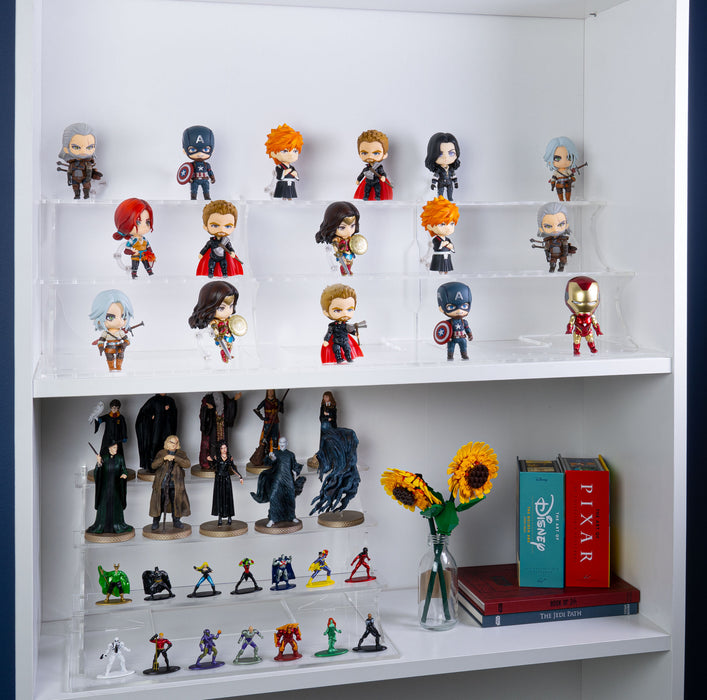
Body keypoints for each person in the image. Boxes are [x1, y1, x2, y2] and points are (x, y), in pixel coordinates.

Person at [251, 438, 305, 526]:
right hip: (278, 479)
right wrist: (271, 458)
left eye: (284, 442)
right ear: (279, 443)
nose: (282, 444)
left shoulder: (291, 454)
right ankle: (272, 518)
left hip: (288, 479)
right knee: (273, 497)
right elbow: (267, 463)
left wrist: (295, 473)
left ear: (287, 443)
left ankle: (291, 516)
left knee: (290, 498)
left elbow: (294, 465)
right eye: (280, 442)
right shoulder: (275, 453)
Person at [188, 281, 245, 363]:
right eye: (221, 308)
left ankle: (228, 355)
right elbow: (213, 328)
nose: (227, 311)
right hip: (221, 336)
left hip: (228, 335)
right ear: (209, 307)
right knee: (223, 347)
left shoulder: (228, 320)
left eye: (231, 306)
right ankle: (224, 356)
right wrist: (215, 331)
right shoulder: (214, 322)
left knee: (229, 345)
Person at [86, 442, 132, 536]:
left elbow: (124, 469)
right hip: (105, 489)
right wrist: (99, 463)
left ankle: (117, 525)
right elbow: (97, 473)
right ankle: (102, 526)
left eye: (116, 447)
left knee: (116, 506)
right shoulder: (104, 458)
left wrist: (124, 474)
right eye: (114, 447)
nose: (116, 449)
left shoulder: (120, 458)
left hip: (116, 487)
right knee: (104, 507)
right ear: (109, 448)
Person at [88, 289, 138, 372]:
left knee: (120, 357)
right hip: (109, 348)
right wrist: (100, 347)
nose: (119, 321)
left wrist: (125, 344)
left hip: (120, 348)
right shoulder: (106, 333)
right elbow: (101, 340)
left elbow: (127, 340)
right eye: (110, 317)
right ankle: (111, 368)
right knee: (109, 358)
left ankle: (118, 367)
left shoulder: (120, 332)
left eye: (123, 316)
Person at [148, 435, 191, 529]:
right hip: (162, 483)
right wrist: (164, 458)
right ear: (167, 443)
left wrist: (175, 458)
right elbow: (153, 465)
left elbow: (187, 464)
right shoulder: (161, 453)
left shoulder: (181, 453)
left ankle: (176, 521)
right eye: (172, 443)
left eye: (176, 443)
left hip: (176, 484)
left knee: (176, 503)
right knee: (158, 503)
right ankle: (156, 521)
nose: (174, 445)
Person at [314, 201, 364, 275]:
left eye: (352, 226)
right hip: (342, 254)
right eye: (342, 227)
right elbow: (335, 247)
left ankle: (348, 271)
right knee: (344, 263)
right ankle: (344, 271)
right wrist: (338, 252)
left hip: (350, 253)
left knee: (350, 262)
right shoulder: (336, 240)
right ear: (332, 226)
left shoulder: (351, 238)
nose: (348, 231)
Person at [196, 200, 243, 277]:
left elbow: (230, 247)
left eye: (227, 226)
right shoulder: (211, 241)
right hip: (213, 257)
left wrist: (232, 252)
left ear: (233, 227)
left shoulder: (226, 241)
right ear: (206, 227)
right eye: (215, 225)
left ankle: (225, 273)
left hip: (222, 257)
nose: (221, 229)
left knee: (224, 266)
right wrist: (201, 253)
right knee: (211, 265)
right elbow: (206, 248)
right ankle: (211, 273)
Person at [56, 122, 102, 199]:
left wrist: (93, 175)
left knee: (86, 185)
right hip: (75, 178)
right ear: (66, 148)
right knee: (75, 186)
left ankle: (86, 194)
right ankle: (77, 195)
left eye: (89, 147)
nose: (83, 151)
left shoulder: (87, 163)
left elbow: (89, 171)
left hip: (85, 178)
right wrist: (69, 179)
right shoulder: (72, 163)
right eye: (76, 147)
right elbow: (69, 172)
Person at [320, 284, 364, 364]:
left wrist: (355, 333)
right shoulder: (332, 326)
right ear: (326, 312)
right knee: (336, 350)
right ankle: (339, 359)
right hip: (336, 341)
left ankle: (349, 358)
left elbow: (350, 330)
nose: (345, 313)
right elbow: (329, 333)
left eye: (349, 309)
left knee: (347, 349)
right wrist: (326, 340)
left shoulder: (346, 325)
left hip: (345, 341)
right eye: (337, 310)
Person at [113, 198, 156, 278]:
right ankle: (134, 274)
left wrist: (151, 254)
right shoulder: (132, 240)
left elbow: (149, 247)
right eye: (138, 222)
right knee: (135, 265)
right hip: (136, 255)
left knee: (147, 264)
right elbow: (126, 250)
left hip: (144, 254)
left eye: (147, 222)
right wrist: (133, 252)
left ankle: (150, 272)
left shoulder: (144, 239)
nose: (144, 226)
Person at [135, 394, 178, 473]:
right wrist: (151, 416)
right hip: (156, 429)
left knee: (167, 446)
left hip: (167, 429)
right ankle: (152, 466)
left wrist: (169, 410)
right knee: (154, 446)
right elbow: (143, 412)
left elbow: (174, 414)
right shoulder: (153, 400)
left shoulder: (170, 400)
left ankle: (166, 465)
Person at [208, 441, 243, 526]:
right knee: (219, 498)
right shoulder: (217, 457)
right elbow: (213, 466)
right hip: (219, 480)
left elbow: (233, 468)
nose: (224, 450)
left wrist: (240, 476)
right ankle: (220, 518)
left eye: (225, 448)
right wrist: (211, 460)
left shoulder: (230, 457)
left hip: (227, 479)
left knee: (228, 498)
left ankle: (229, 517)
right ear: (219, 449)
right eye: (222, 448)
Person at [421, 196, 459, 275]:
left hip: (447, 255)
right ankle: (440, 271)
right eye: (442, 224)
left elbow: (452, 248)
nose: (448, 228)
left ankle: (446, 271)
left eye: (451, 224)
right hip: (439, 256)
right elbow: (435, 247)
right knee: (439, 265)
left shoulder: (448, 239)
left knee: (446, 265)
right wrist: (442, 244)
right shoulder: (436, 239)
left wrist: (451, 247)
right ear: (429, 226)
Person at [265, 124, 303, 199]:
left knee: (290, 196)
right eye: (285, 151)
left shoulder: (292, 168)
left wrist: (295, 175)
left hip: (291, 184)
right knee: (283, 197)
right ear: (273, 153)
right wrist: (284, 173)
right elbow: (279, 176)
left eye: (295, 151)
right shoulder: (279, 167)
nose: (291, 155)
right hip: (282, 184)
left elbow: (296, 177)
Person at [354, 129, 392, 200]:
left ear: (384, 155)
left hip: (376, 181)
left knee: (377, 190)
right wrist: (358, 180)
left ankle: (377, 197)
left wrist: (383, 176)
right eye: (364, 153)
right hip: (368, 182)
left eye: (376, 153)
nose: (370, 156)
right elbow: (362, 174)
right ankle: (366, 197)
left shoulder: (379, 167)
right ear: (359, 154)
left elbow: (382, 172)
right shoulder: (366, 169)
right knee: (366, 190)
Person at [180, 125, 215, 200]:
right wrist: (189, 178)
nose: (200, 154)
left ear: (212, 151)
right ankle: (193, 202)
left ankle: (207, 201)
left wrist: (212, 177)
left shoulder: (207, 165)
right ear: (184, 151)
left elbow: (210, 171)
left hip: (204, 180)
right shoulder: (191, 165)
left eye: (206, 150)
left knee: (207, 194)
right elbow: (188, 172)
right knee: (193, 195)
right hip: (194, 180)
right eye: (192, 150)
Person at [425, 132, 461, 201]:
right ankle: (440, 201)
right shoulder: (439, 170)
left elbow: (453, 176)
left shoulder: (451, 169)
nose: (445, 157)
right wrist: (433, 184)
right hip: (441, 182)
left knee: (450, 193)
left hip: (449, 182)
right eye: (440, 154)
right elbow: (435, 176)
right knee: (440, 194)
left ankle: (450, 200)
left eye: (451, 153)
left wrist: (456, 183)